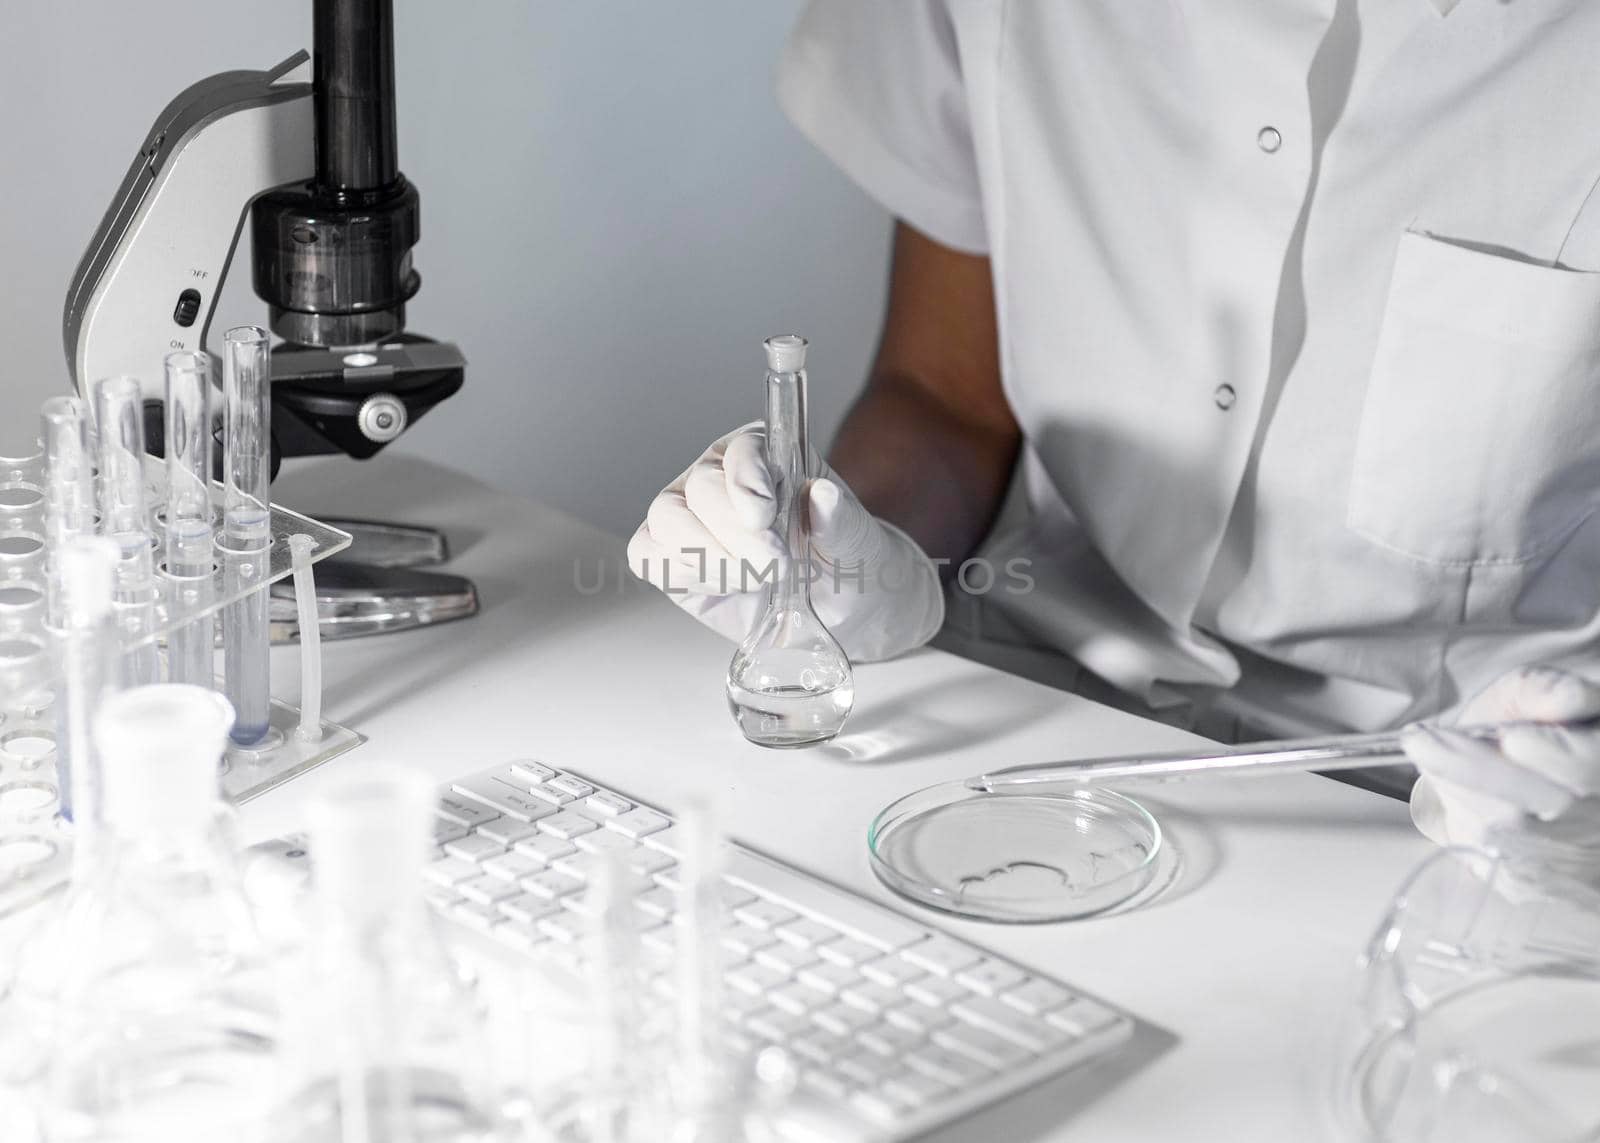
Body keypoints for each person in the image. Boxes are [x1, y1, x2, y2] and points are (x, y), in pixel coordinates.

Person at [630, 0, 1600, 851]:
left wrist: (1577, 798)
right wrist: (849, 564)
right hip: (1013, 716)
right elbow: (943, 398)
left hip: (1441, 798)